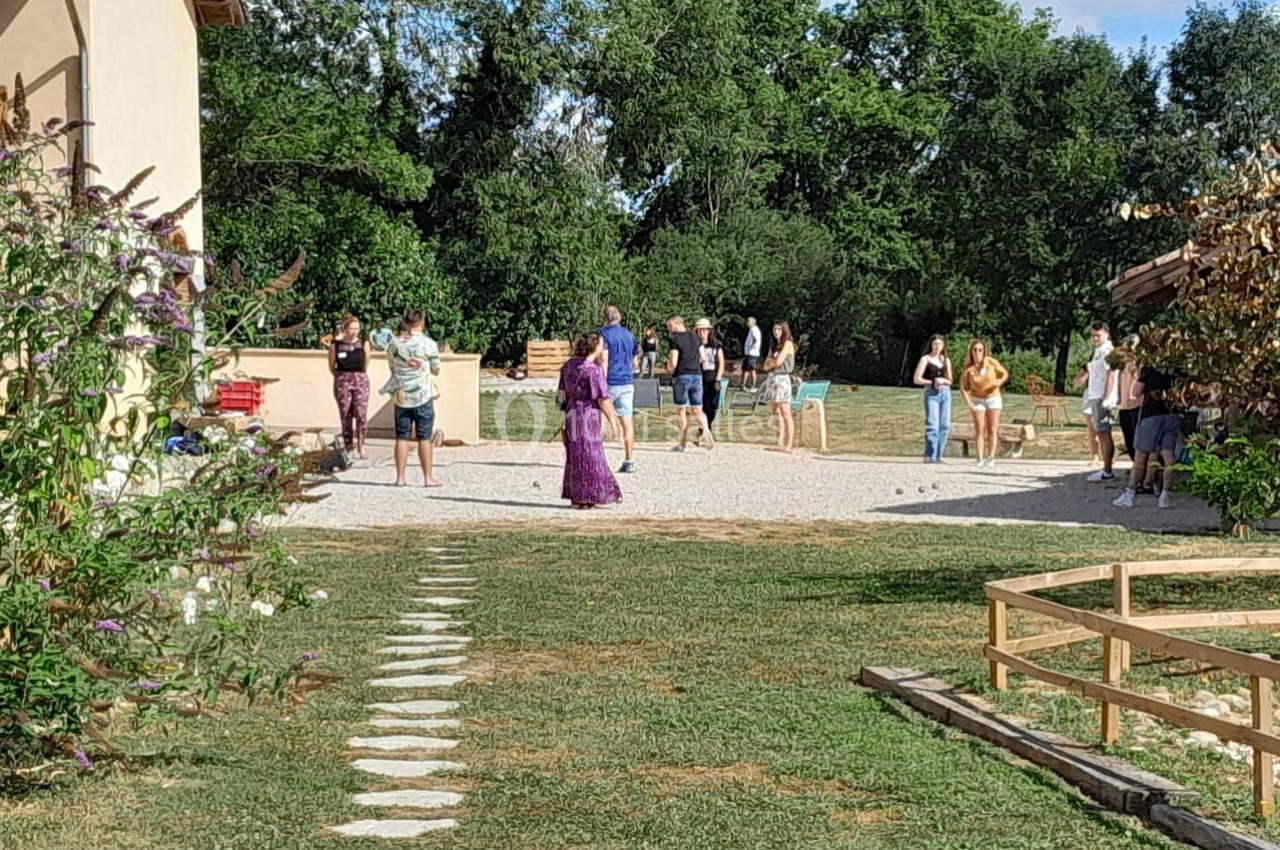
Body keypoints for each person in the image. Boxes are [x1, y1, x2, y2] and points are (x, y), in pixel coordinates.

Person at [558, 333, 622, 509]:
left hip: (572, 415)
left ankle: (577, 496)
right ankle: (591, 495)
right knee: (592, 455)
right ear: (595, 347)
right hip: (589, 417)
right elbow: (602, 398)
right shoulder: (593, 370)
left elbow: (561, 396)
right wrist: (613, 422)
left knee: (575, 456)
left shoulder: (567, 367)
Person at [381, 310, 442, 487]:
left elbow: (392, 368)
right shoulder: (429, 344)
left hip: (402, 395)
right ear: (422, 322)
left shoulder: (394, 343)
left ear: (406, 322)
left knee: (402, 436)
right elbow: (436, 370)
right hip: (422, 394)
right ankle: (428, 477)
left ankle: (400, 477)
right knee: (424, 436)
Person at [1113, 362, 1180, 510]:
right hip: (1171, 415)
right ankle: (1165, 495)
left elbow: (1136, 392)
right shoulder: (1177, 369)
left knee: (1140, 457)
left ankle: (1130, 493)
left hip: (1151, 416)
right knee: (1169, 457)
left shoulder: (1149, 368)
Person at [599, 306, 639, 474]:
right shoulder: (630, 335)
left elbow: (603, 359)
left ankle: (597, 459)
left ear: (605, 318)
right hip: (627, 381)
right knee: (627, 421)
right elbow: (635, 361)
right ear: (619, 317)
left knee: (598, 418)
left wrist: (601, 380)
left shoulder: (604, 334)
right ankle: (629, 459)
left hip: (611, 380)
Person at [666, 315, 713, 451]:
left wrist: (669, 368)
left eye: (670, 325)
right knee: (697, 408)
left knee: (681, 410)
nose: (669, 328)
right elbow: (703, 358)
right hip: (697, 375)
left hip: (682, 375)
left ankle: (683, 443)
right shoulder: (696, 338)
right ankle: (706, 430)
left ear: (677, 323)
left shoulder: (675, 340)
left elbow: (674, 362)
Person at [1077, 321, 1117, 482]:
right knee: (1099, 432)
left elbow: (1110, 375)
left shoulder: (1107, 351)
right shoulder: (1098, 351)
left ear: (1107, 335)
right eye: (1093, 335)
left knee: (1104, 432)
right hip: (1094, 394)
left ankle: (1107, 470)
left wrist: (1106, 396)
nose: (1095, 338)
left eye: (1098, 335)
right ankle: (1104, 467)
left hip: (1101, 396)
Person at [960, 339, 1009, 468]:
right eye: (974, 350)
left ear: (984, 351)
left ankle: (991, 457)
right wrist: (970, 403)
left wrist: (999, 381)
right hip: (977, 399)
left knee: (992, 428)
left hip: (993, 397)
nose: (977, 353)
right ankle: (979, 457)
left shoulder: (991, 362)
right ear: (971, 352)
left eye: (980, 350)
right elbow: (964, 388)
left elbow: (1004, 373)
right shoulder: (968, 369)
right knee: (979, 429)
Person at [328, 314, 371, 459]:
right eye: (352, 328)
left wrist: (359, 375)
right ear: (345, 329)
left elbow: (366, 362)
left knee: (361, 413)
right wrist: (341, 376)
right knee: (345, 414)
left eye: (357, 328)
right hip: (342, 379)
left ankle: (361, 444)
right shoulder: (336, 345)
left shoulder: (363, 343)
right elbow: (331, 366)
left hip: (360, 379)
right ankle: (348, 445)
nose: (355, 331)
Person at [913, 335, 953, 463]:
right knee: (933, 425)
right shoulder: (926, 359)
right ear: (931, 345)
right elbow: (917, 379)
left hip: (945, 393)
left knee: (944, 425)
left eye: (940, 344)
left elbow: (951, 380)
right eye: (935, 344)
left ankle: (939, 455)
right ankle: (930, 454)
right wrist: (932, 382)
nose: (937, 347)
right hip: (931, 394)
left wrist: (943, 381)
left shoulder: (945, 360)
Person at [761, 321, 797, 453]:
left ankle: (789, 443)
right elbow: (765, 365)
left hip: (782, 379)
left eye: (779, 329)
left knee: (785, 411)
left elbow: (778, 362)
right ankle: (779, 440)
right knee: (775, 410)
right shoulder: (775, 346)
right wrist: (771, 363)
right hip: (772, 378)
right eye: (775, 329)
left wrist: (772, 362)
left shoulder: (787, 344)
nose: (776, 332)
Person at [694, 318, 725, 436]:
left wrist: (718, 379)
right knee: (701, 405)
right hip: (699, 377)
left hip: (712, 377)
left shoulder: (716, 346)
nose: (702, 333)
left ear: (709, 331)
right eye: (699, 330)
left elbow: (721, 363)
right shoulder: (695, 345)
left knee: (712, 406)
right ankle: (704, 429)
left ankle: (706, 428)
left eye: (704, 330)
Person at [742, 317, 762, 391]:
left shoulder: (754, 329)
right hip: (748, 353)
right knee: (745, 369)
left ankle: (753, 386)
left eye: (748, 321)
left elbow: (756, 340)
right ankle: (743, 385)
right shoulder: (751, 330)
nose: (747, 323)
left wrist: (751, 347)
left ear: (753, 322)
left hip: (752, 353)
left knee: (752, 369)